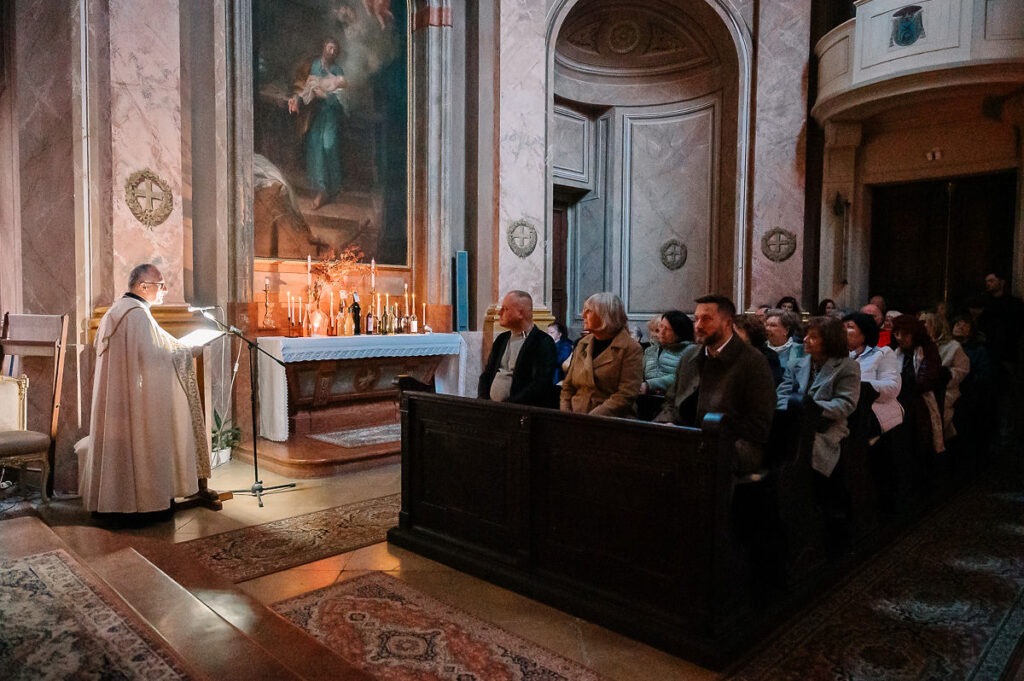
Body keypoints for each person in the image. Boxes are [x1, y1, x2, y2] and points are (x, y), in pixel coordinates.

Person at [81, 264, 210, 515]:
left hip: (120, 400)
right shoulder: (137, 316)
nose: (164, 289)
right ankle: (146, 503)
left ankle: (114, 501)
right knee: (142, 444)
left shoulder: (116, 311)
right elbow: (154, 358)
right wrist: (185, 351)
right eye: (160, 284)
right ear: (142, 286)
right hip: (135, 404)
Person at [654, 295, 775, 475]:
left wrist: (705, 438)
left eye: (706, 319)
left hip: (735, 447)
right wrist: (668, 423)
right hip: (687, 439)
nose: (698, 326)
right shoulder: (689, 357)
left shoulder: (753, 362)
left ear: (727, 323)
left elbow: (758, 425)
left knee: (697, 465)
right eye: (696, 319)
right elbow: (671, 401)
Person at [560, 292, 643, 417]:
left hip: (610, 420)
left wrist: (592, 418)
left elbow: (626, 394)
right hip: (575, 417)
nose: (583, 315)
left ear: (605, 315)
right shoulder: (583, 343)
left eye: (589, 311)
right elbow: (568, 385)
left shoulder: (630, 348)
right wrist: (566, 413)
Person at [288, 37, 347, 210]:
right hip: (316, 114)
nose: (332, 52)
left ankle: (333, 186)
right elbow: (305, 90)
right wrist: (296, 99)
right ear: (323, 48)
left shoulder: (337, 70)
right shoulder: (314, 66)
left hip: (331, 115)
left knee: (329, 146)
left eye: (335, 49)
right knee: (316, 147)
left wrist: (325, 95)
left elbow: (342, 98)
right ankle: (321, 190)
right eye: (330, 48)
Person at [478, 291, 558, 408]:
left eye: (505, 309)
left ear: (520, 313)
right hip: (492, 409)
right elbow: (487, 374)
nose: (499, 313)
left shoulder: (543, 342)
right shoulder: (502, 339)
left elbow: (540, 384)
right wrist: (483, 400)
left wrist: (510, 406)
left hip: (521, 411)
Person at [843, 312, 903, 439]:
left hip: (872, 413)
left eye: (850, 327)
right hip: (847, 410)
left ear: (864, 333)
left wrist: (864, 387)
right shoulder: (842, 357)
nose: (844, 331)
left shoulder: (882, 353)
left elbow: (893, 387)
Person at [920, 311, 970, 444]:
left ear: (936, 325)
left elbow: (961, 370)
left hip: (944, 390)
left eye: (925, 322)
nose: (921, 326)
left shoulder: (953, 347)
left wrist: (943, 376)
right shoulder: (918, 345)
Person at [641, 310, 694, 395]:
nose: (661, 332)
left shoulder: (690, 351)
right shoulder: (650, 350)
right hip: (647, 396)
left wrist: (650, 385)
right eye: (661, 326)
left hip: (674, 398)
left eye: (667, 329)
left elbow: (683, 377)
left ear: (678, 332)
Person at [734, 313, 783, 385]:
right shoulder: (729, 353)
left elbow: (768, 385)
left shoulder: (768, 357)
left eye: (736, 329)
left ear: (749, 332)